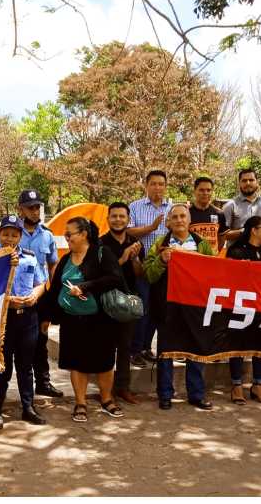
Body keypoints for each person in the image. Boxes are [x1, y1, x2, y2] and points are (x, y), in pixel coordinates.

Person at [39, 217, 125, 423]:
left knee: (104, 361)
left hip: (100, 320)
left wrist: (85, 286)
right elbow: (55, 290)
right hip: (72, 321)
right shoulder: (66, 260)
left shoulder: (101, 253)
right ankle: (81, 402)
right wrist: (47, 317)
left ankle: (106, 400)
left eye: (69, 234)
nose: (66, 238)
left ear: (83, 234)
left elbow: (115, 278)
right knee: (76, 362)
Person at [143, 204, 215, 410]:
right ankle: (165, 395)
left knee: (195, 351)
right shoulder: (160, 244)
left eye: (183, 216)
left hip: (195, 307)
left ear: (189, 220)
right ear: (168, 222)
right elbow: (148, 274)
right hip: (168, 307)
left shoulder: (202, 245)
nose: (179, 220)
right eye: (174, 217)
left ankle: (196, 395)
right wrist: (162, 261)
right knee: (166, 352)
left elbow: (214, 274)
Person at [0, 215, 48, 429]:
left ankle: (28, 408)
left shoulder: (30, 257)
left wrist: (35, 294)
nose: (9, 238)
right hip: (4, 320)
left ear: (20, 236)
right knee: (1, 368)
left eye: (14, 234)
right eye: (6, 234)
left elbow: (42, 282)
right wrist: (7, 300)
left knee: (26, 366)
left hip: (28, 318)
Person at [226, 216, 261, 405]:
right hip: (241, 305)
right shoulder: (236, 251)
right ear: (254, 230)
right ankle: (237, 386)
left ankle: (257, 385)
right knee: (238, 345)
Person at [16, 189, 63, 399]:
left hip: (41, 294)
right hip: (17, 297)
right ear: (21, 209)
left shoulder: (47, 234)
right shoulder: (11, 232)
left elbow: (53, 265)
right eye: (30, 208)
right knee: (16, 342)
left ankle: (43, 382)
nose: (35, 212)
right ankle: (16, 385)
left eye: (37, 207)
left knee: (40, 341)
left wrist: (52, 293)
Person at [99, 202, 144, 404]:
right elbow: (99, 274)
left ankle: (123, 388)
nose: (118, 220)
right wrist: (124, 257)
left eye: (122, 216)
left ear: (128, 219)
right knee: (106, 346)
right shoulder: (99, 244)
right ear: (108, 219)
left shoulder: (135, 242)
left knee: (126, 346)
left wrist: (134, 259)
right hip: (106, 302)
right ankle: (105, 391)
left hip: (128, 302)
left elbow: (140, 274)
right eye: (114, 216)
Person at [127, 170, 172, 367]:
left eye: (161, 184)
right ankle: (134, 350)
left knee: (156, 309)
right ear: (146, 185)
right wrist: (151, 228)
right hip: (142, 266)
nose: (158, 188)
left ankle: (146, 347)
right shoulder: (135, 207)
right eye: (153, 184)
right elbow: (128, 230)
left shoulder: (171, 208)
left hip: (162, 267)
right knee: (142, 308)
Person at [221, 168, 261, 249]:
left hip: (260, 256)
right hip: (236, 256)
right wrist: (243, 232)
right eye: (244, 181)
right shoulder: (230, 206)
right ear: (239, 184)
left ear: (257, 182)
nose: (248, 183)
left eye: (251, 180)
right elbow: (222, 235)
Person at [188, 176, 228, 252]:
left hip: (212, 260)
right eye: (201, 190)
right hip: (193, 257)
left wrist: (213, 253)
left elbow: (222, 238)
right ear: (194, 191)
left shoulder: (219, 213)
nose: (205, 193)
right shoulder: (186, 213)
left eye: (208, 190)